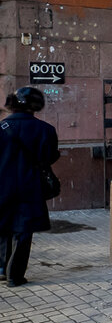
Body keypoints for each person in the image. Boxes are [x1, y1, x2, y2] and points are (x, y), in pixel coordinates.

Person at [0, 87, 59, 287]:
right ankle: (14, 276)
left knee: (3, 226)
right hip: (31, 186)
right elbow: (50, 157)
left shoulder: (1, 127)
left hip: (2, 186)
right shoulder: (45, 129)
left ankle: (2, 268)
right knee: (23, 231)